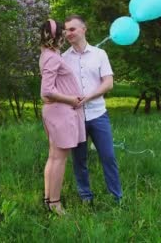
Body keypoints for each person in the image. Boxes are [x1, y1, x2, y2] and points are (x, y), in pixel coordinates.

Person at [62, 15, 123, 203]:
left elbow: (109, 83)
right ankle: (85, 197)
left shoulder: (99, 54)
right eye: (66, 30)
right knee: (79, 160)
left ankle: (116, 197)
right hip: (75, 117)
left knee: (108, 156)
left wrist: (88, 97)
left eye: (72, 29)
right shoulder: (63, 58)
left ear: (83, 29)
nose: (68, 33)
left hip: (98, 114)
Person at [39, 19, 86, 215]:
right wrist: (71, 100)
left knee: (53, 157)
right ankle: (55, 204)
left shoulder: (49, 54)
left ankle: (48, 199)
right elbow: (47, 90)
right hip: (61, 112)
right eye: (63, 32)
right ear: (57, 36)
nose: (66, 35)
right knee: (59, 159)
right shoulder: (51, 57)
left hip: (58, 111)